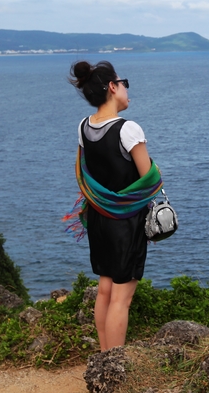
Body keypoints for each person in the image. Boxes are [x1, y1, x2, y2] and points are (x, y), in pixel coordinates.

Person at [66, 60, 161, 351]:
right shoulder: (128, 129)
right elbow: (149, 178)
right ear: (112, 87)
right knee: (122, 298)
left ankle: (104, 359)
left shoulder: (84, 126)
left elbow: (85, 173)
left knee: (105, 290)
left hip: (98, 218)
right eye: (124, 84)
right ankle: (114, 365)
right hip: (126, 223)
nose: (127, 89)